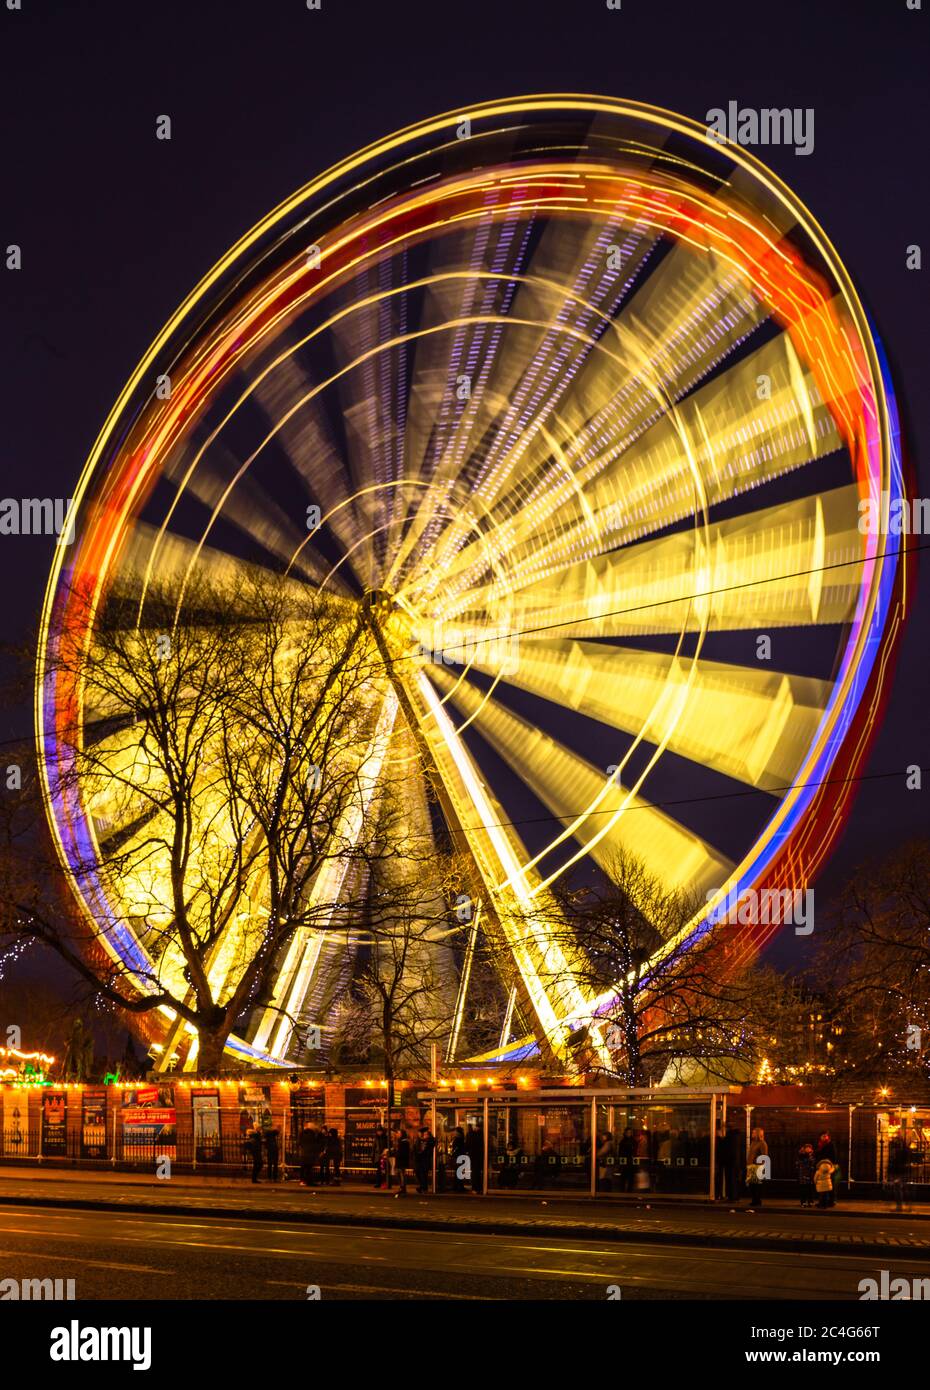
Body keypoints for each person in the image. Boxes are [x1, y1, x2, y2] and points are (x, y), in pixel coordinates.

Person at [746, 1126, 768, 1209]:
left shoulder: (762, 1143)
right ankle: (754, 1200)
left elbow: (764, 1155)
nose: (752, 1134)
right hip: (751, 1166)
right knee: (752, 1184)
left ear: (758, 1134)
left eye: (753, 1132)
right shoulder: (753, 1143)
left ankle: (757, 1200)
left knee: (756, 1185)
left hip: (757, 1166)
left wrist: (759, 1165)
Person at [888, 1132, 909, 1211]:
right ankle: (901, 1205)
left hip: (899, 1172)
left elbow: (896, 1162)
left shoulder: (899, 1151)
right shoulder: (903, 1150)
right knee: (899, 1189)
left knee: (898, 1189)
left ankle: (899, 1206)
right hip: (900, 1172)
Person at [815, 1132, 838, 1205]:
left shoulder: (830, 1144)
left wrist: (831, 1165)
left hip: (828, 1166)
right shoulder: (820, 1144)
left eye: (826, 1136)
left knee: (829, 1183)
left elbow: (833, 1155)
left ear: (828, 1137)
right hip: (821, 1166)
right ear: (820, 1137)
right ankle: (823, 1201)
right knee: (821, 1184)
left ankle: (831, 1200)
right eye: (823, 1136)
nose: (824, 1137)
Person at [413, 1126, 436, 1194]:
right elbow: (416, 1149)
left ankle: (424, 1187)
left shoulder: (429, 1141)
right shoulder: (419, 1140)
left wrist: (420, 1153)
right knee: (419, 1173)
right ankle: (422, 1186)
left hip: (425, 1160)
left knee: (423, 1174)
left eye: (425, 1134)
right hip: (419, 1160)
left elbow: (426, 1150)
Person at [390, 1126, 411, 1195]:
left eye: (399, 1133)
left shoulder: (404, 1142)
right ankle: (401, 1187)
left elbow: (402, 1152)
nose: (397, 1134)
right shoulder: (400, 1141)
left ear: (402, 1134)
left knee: (401, 1174)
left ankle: (402, 1188)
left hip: (402, 1161)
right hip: (399, 1161)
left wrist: (395, 1153)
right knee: (398, 1173)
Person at [465, 1124, 484, 1195]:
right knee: (478, 1172)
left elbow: (467, 1145)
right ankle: (479, 1187)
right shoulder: (483, 1134)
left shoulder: (471, 1135)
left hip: (473, 1155)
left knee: (474, 1172)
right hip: (480, 1156)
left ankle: (475, 1188)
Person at [796, 1142, 815, 1207]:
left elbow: (813, 1163)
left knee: (810, 1189)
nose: (808, 1149)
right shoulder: (801, 1155)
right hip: (803, 1173)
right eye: (807, 1148)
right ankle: (803, 1202)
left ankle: (810, 1201)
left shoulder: (812, 1155)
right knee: (803, 1189)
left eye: (809, 1148)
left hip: (810, 1174)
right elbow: (799, 1163)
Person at [617, 1127, 635, 1193]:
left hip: (630, 1162)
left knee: (630, 1178)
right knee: (623, 1178)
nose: (629, 1134)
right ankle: (623, 1191)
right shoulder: (623, 1141)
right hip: (625, 1162)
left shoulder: (632, 1141)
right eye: (628, 1132)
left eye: (630, 1133)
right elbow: (620, 1152)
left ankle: (628, 1191)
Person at [451, 1126, 468, 1192]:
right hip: (460, 1156)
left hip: (458, 1156)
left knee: (458, 1172)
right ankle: (459, 1187)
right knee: (459, 1172)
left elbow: (455, 1148)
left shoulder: (457, 1139)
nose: (454, 1132)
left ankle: (456, 1186)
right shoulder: (460, 1139)